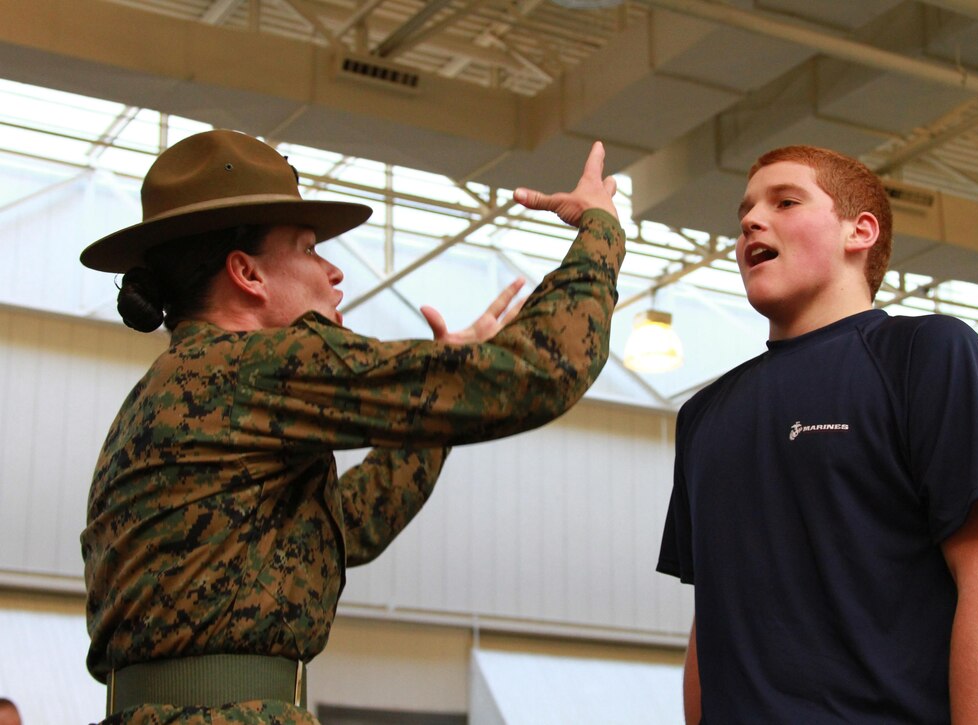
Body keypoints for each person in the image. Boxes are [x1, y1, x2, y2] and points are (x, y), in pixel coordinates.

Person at [79, 129, 624, 723]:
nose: (333, 271)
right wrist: (599, 232)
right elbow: (542, 371)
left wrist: (436, 409)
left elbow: (348, 527)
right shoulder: (255, 367)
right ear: (247, 274)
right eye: (310, 249)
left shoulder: (177, 388)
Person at [656, 145, 978, 723]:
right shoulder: (704, 416)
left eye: (785, 201)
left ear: (860, 232)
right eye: (746, 212)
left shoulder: (928, 356)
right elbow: (712, 622)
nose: (752, 221)